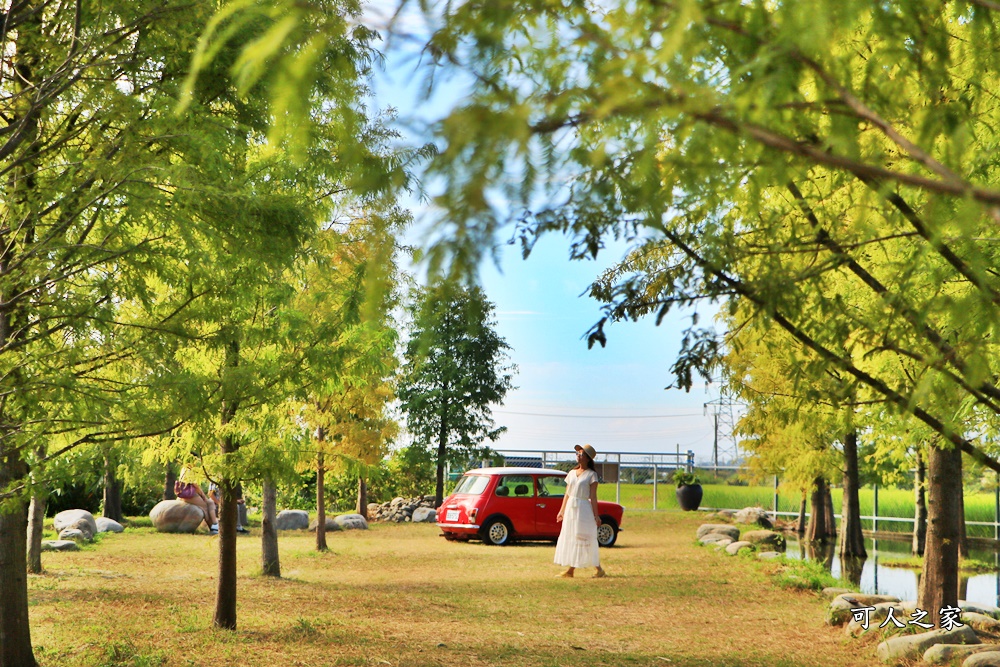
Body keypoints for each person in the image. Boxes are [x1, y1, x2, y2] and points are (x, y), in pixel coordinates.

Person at [554, 444, 606, 578]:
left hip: (583, 509)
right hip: (571, 507)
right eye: (577, 454)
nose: (578, 456)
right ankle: (577, 570)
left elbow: (593, 497)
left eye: (581, 454)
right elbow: (567, 493)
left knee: (582, 537)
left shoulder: (591, 475)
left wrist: (596, 516)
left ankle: (579, 570)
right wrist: (562, 511)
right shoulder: (572, 473)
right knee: (571, 536)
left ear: (588, 458)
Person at [174, 470, 219, 535]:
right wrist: (203, 496)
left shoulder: (185, 468)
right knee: (205, 506)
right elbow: (194, 484)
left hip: (187, 494)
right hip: (190, 495)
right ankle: (213, 525)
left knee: (210, 503)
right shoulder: (189, 469)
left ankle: (214, 524)